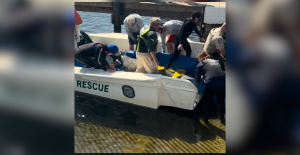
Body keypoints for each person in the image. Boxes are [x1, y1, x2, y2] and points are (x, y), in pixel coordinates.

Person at [194, 52, 225, 125]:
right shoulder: (216, 61)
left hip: (210, 83)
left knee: (206, 102)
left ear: (201, 58)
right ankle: (222, 119)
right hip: (222, 83)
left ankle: (205, 119)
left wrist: (193, 89)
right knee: (221, 102)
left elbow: (197, 81)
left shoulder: (201, 63)